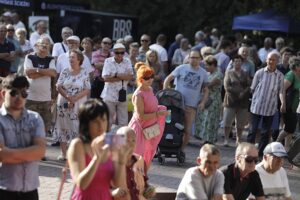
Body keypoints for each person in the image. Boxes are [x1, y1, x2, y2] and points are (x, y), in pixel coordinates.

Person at [67, 99, 127, 200]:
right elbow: (82, 184)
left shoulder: (111, 143)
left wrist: (121, 161)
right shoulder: (78, 145)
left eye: (104, 120)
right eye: (95, 121)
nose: (101, 126)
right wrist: (96, 159)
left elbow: (118, 184)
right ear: (86, 123)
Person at [0, 74, 46, 200]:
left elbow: (40, 152)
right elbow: (2, 156)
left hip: (30, 191)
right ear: (3, 94)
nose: (19, 97)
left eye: (24, 93)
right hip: (4, 191)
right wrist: (30, 153)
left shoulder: (35, 118)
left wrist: (10, 154)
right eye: (14, 92)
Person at [163, 49, 209, 153]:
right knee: (169, 125)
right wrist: (166, 92)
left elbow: (206, 90)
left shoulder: (203, 73)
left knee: (187, 131)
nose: (194, 60)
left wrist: (202, 102)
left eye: (196, 58)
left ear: (200, 59)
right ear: (188, 58)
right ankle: (166, 146)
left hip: (191, 106)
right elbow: (168, 79)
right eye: (192, 57)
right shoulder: (181, 68)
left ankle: (181, 150)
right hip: (176, 104)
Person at [129, 63, 168, 169]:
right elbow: (141, 116)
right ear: (140, 79)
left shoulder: (150, 89)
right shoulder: (138, 94)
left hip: (150, 128)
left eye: (151, 77)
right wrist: (157, 114)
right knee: (137, 158)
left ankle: (144, 182)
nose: (150, 80)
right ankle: (135, 183)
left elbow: (151, 106)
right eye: (146, 78)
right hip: (140, 129)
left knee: (149, 155)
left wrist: (161, 109)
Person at [53, 49, 91, 160]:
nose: (70, 59)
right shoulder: (65, 71)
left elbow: (87, 88)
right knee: (62, 127)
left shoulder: (84, 72)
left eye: (73, 57)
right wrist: (68, 97)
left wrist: (74, 99)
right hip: (63, 102)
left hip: (78, 103)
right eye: (70, 57)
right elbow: (58, 86)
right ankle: (63, 153)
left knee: (76, 127)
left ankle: (73, 153)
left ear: (79, 60)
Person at [247, 52, 285, 156]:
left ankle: (259, 154)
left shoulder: (280, 76)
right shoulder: (259, 72)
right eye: (269, 59)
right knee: (252, 130)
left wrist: (283, 103)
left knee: (265, 132)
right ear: (266, 60)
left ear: (277, 61)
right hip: (256, 107)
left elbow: (281, 91)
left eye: (273, 60)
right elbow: (253, 89)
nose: (271, 61)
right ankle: (248, 152)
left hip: (270, 108)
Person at [24, 37, 56, 134]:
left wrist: (37, 70)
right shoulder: (29, 57)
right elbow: (29, 74)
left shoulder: (51, 59)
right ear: (37, 45)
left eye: (47, 44)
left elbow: (53, 73)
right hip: (30, 98)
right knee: (28, 126)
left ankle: (40, 146)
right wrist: (46, 72)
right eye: (43, 43)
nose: (45, 45)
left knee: (45, 127)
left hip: (45, 99)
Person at [116, 126, 156, 200]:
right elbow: (103, 189)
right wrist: (113, 192)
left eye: (133, 141)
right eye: (127, 141)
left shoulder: (140, 160)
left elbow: (145, 182)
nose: (131, 145)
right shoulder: (112, 163)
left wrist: (149, 189)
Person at [101, 43, 134, 129]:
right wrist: (122, 76)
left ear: (124, 53)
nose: (119, 54)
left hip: (122, 95)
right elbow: (105, 78)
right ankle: (108, 141)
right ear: (113, 52)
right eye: (117, 52)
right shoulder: (108, 61)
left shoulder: (127, 61)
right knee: (108, 121)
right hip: (109, 94)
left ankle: (121, 142)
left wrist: (115, 75)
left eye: (122, 52)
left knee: (123, 122)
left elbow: (130, 76)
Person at [223, 55, 251, 146]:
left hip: (242, 101)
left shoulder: (245, 73)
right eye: (236, 61)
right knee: (227, 121)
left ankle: (238, 139)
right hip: (230, 100)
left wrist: (243, 93)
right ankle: (226, 139)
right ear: (233, 62)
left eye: (239, 61)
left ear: (242, 63)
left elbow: (248, 85)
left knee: (240, 123)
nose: (238, 63)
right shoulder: (229, 73)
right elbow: (227, 86)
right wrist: (237, 93)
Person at [194, 55, 223, 144]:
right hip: (206, 98)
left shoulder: (218, 74)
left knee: (211, 119)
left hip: (214, 100)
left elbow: (209, 85)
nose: (205, 67)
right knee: (205, 118)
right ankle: (204, 137)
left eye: (207, 65)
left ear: (213, 65)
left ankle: (210, 139)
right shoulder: (207, 74)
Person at [277, 56, 300, 150]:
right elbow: (282, 90)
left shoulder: (299, 75)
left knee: (291, 129)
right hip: (288, 106)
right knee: (289, 128)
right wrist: (283, 104)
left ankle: (286, 149)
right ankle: (276, 144)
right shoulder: (291, 74)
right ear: (297, 66)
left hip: (294, 107)